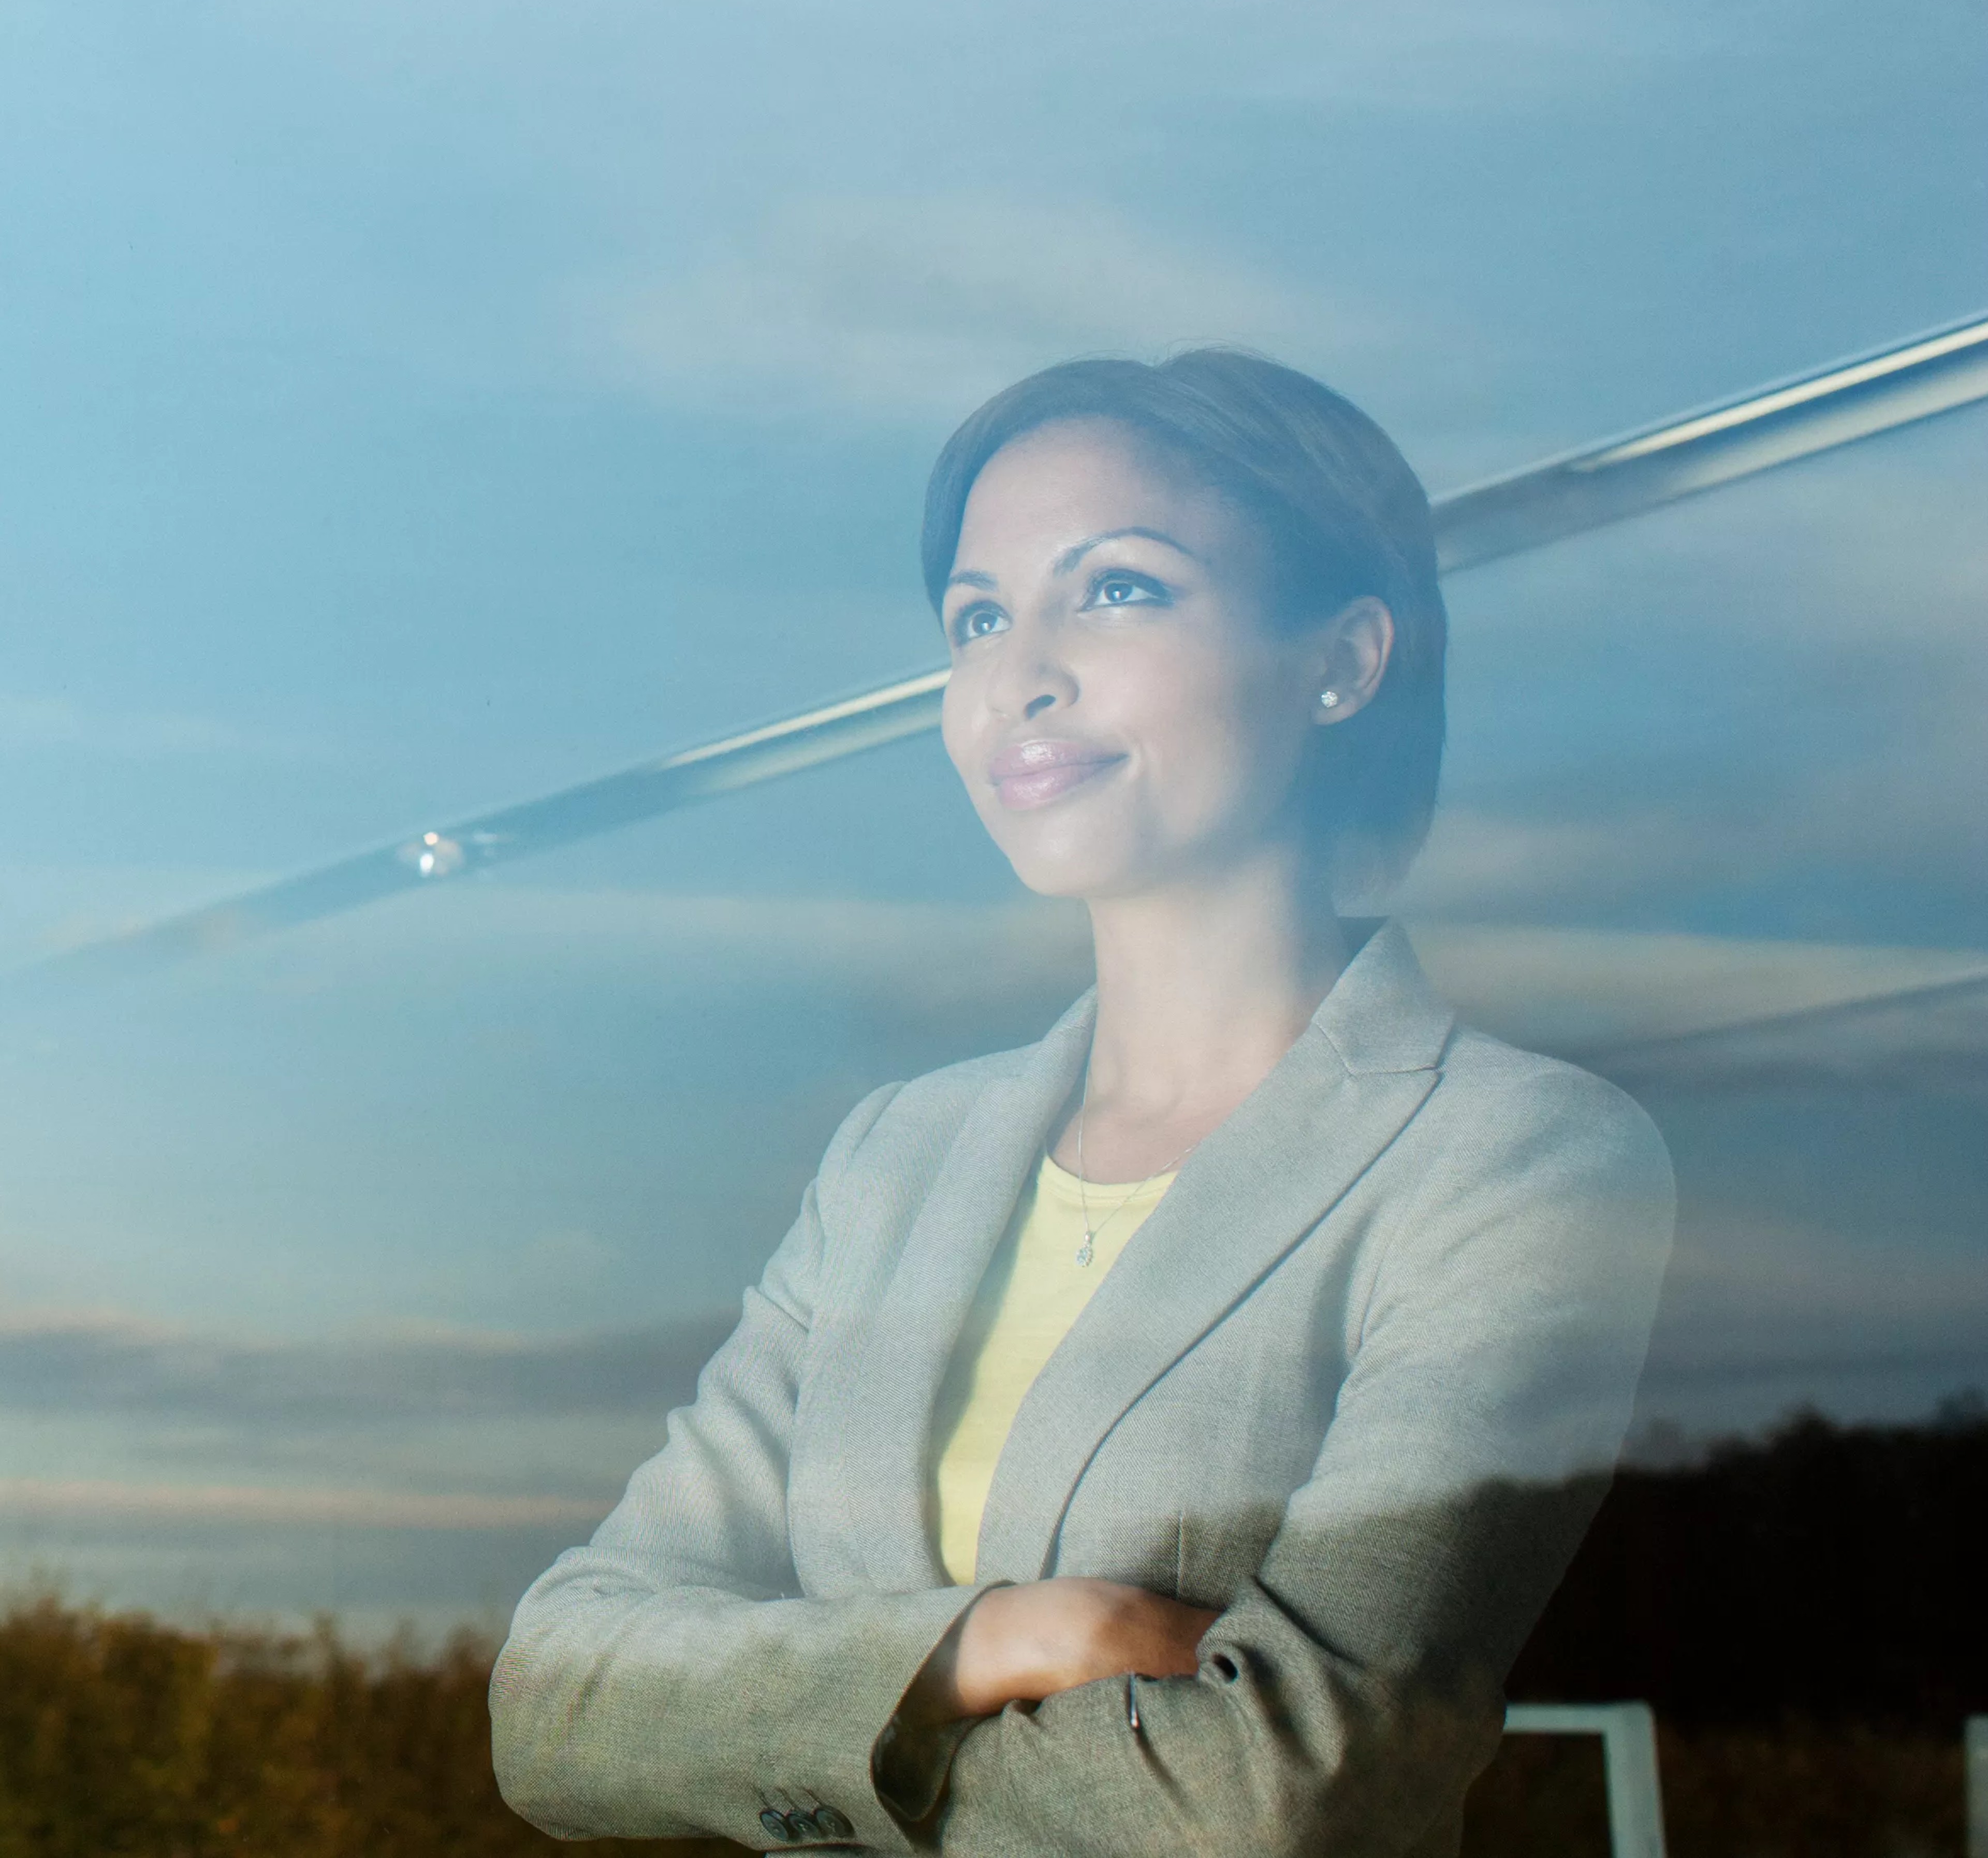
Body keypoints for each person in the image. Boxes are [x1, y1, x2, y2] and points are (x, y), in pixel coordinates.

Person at [491, 351, 1674, 1855]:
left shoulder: (1510, 1159)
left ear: (1346, 656)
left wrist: (783, 1728)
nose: (1018, 670)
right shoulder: (894, 1159)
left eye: (1117, 588)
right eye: (979, 615)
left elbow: (1275, 1794)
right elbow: (553, 1700)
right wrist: (1002, 1639)